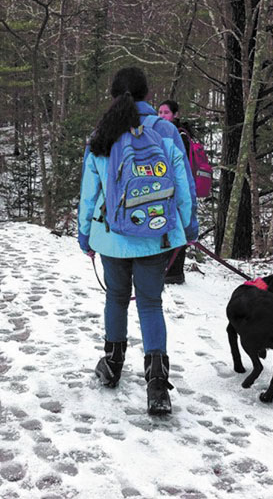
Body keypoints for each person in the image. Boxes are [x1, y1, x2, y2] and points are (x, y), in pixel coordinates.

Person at [78, 67, 198, 415]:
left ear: (114, 96)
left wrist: (85, 232)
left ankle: (112, 366)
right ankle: (157, 385)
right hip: (156, 235)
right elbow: (183, 182)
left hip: (113, 236)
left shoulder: (103, 135)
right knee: (150, 303)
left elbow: (90, 191)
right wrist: (188, 227)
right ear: (148, 95)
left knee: (116, 298)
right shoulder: (166, 130)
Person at [157, 100, 193, 284]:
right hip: (166, 186)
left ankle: (174, 272)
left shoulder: (179, 135)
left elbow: (181, 167)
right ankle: (168, 269)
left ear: (176, 115)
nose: (162, 116)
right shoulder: (163, 133)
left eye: (166, 113)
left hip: (178, 187)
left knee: (178, 226)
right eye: (160, 112)